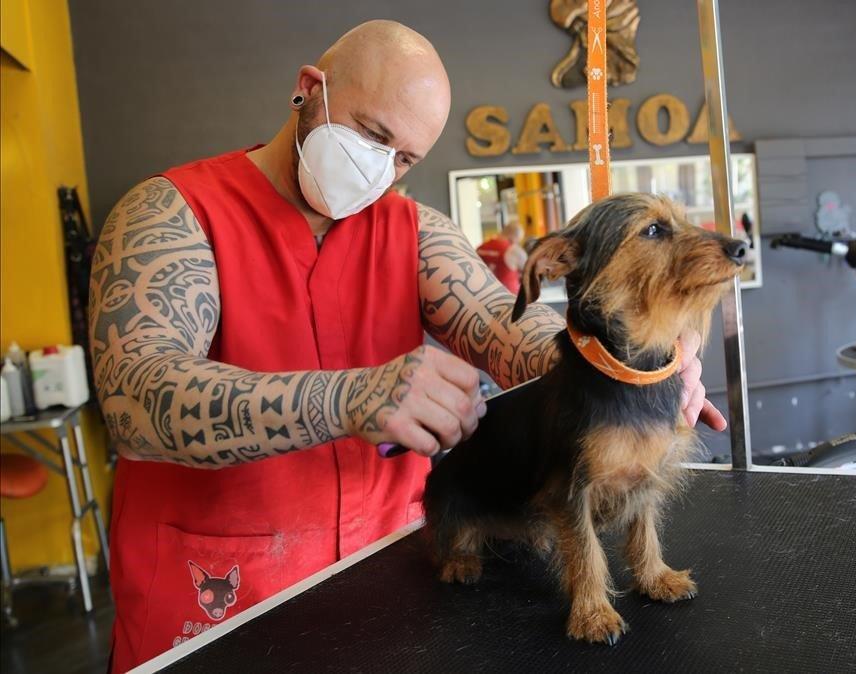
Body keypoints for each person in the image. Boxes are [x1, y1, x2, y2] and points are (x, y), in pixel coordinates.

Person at [89, 21, 723, 670]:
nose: (383, 168)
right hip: (218, 598)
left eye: (405, 159)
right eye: (373, 135)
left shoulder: (414, 231)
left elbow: (508, 329)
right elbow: (135, 401)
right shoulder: (170, 213)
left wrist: (634, 361)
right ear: (310, 90)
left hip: (389, 578)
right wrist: (348, 396)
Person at [476, 221, 528, 294]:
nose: (517, 242)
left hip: (484, 295)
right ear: (514, 236)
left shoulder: (480, 248)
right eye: (518, 240)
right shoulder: (514, 250)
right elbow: (530, 271)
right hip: (507, 297)